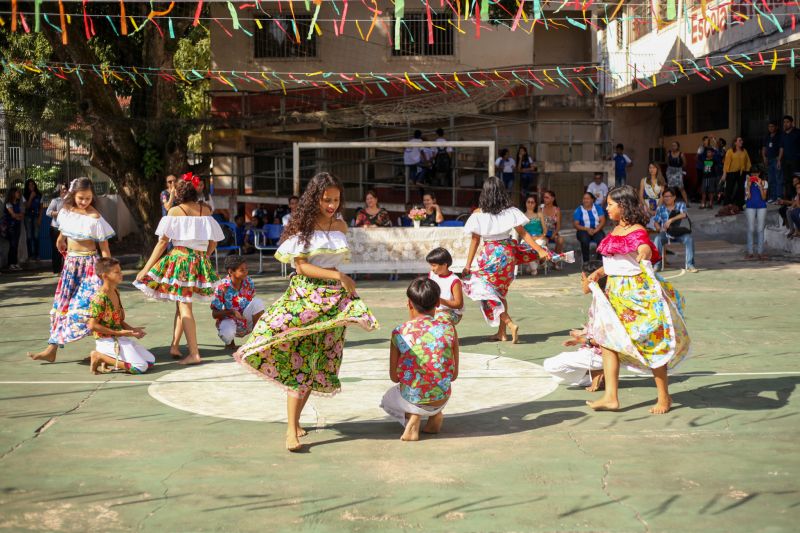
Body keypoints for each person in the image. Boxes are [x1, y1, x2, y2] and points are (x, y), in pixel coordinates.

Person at [233, 172, 378, 452]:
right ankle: (291, 431)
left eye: (336, 200)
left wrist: (342, 282)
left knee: (316, 363)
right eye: (327, 200)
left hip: (333, 302)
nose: (332, 205)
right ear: (316, 198)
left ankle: (296, 422)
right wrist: (339, 277)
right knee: (299, 362)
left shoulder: (341, 227)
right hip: (305, 297)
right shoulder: (305, 225)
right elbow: (301, 267)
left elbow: (332, 265)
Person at [586, 186, 690, 415]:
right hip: (614, 293)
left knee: (651, 342)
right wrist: (600, 273)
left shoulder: (637, 230)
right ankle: (611, 397)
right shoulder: (615, 230)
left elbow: (643, 246)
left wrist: (645, 252)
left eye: (610, 204)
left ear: (623, 206)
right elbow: (618, 260)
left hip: (636, 294)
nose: (607, 208)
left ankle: (664, 396)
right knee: (607, 342)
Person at [134, 174, 225, 365]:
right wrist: (204, 257)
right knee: (182, 303)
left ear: (178, 195)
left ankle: (194, 353)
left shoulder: (175, 211)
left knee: (184, 306)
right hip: (198, 261)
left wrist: (146, 268)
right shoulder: (205, 210)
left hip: (180, 261)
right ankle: (175, 345)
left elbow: (162, 243)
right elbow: (214, 240)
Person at [27, 178, 115, 363]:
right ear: (73, 195)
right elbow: (64, 231)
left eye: (89, 198)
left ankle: (107, 351)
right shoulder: (66, 211)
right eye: (81, 198)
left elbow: (104, 249)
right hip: (70, 265)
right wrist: (60, 238)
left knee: (88, 307)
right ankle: (51, 349)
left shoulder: (95, 218)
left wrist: (107, 272)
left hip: (90, 267)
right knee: (62, 305)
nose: (84, 202)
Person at [462, 177, 552, 343]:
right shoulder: (511, 211)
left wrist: (467, 266)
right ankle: (501, 333)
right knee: (500, 293)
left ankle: (510, 325)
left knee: (484, 291)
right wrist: (539, 249)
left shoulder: (478, 214)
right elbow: (524, 233)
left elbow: (475, 240)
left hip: (490, 254)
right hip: (507, 254)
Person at [380, 277, 458, 441]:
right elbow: (454, 374)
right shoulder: (449, 329)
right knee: (433, 387)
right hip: (442, 397)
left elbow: (394, 377)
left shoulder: (399, 331)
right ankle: (434, 416)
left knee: (387, 399)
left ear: (409, 303)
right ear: (437, 303)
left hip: (414, 398)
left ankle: (413, 419)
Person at [87, 257, 154, 375]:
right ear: (105, 276)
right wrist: (120, 333)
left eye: (120, 271)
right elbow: (92, 326)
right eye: (116, 272)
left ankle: (109, 359)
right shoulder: (99, 298)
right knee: (140, 367)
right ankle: (99, 356)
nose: (121, 274)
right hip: (106, 340)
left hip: (119, 337)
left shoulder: (115, 291)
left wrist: (132, 330)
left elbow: (119, 321)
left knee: (150, 361)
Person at [210, 255, 265, 349]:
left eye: (246, 269)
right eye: (242, 270)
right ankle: (230, 343)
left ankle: (257, 339)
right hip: (230, 319)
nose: (246, 272)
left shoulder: (249, 282)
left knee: (258, 302)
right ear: (230, 271)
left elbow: (253, 305)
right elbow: (215, 314)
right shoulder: (221, 286)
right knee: (227, 335)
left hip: (245, 320)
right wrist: (232, 312)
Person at [652, 188, 697, 273]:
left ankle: (690, 264)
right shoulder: (660, 208)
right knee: (657, 239)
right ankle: (657, 265)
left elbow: (683, 214)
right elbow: (656, 222)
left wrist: (670, 220)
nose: (666, 198)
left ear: (674, 197)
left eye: (669, 196)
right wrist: (658, 228)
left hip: (679, 232)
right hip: (665, 233)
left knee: (689, 239)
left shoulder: (680, 205)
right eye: (665, 196)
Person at [426, 247, 464, 328]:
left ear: (444, 265)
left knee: (440, 317)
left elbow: (459, 304)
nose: (432, 269)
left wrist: (439, 300)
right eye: (431, 265)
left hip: (453, 313)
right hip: (435, 311)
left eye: (434, 265)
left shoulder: (454, 280)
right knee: (420, 318)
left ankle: (452, 338)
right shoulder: (432, 275)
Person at [573, 192, 607, 263]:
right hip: (583, 230)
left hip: (596, 229)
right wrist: (587, 229)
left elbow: (602, 221)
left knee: (601, 239)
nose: (585, 200)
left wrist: (595, 230)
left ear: (592, 200)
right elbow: (576, 225)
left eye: (587, 199)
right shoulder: (578, 210)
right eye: (584, 199)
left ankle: (599, 261)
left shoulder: (598, 208)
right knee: (585, 240)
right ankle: (586, 262)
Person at [743, 172, 769, 261]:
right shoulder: (747, 182)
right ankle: (750, 252)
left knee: (760, 229)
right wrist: (748, 186)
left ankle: (760, 252)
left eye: (756, 174)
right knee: (750, 229)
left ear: (759, 174)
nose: (755, 176)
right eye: (753, 174)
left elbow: (764, 198)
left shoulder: (764, 182)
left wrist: (760, 186)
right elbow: (748, 196)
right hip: (750, 206)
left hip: (762, 206)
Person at [721, 136, 752, 208]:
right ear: (735, 143)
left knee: (741, 189)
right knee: (729, 189)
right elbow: (726, 163)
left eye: (742, 140)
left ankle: (740, 205)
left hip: (741, 172)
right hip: (731, 172)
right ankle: (727, 205)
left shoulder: (744, 151)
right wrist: (724, 173)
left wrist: (748, 173)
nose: (742, 142)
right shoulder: (730, 151)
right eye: (740, 140)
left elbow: (748, 162)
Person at [522, 194, 547, 275]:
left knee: (538, 245)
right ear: (525, 203)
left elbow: (545, 229)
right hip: (526, 239)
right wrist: (529, 238)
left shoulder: (539, 214)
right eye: (528, 202)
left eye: (532, 202)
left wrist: (540, 237)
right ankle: (534, 267)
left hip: (539, 238)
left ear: (535, 204)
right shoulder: (522, 216)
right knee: (525, 247)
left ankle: (532, 268)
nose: (530, 204)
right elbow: (520, 231)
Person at [46, 183, 68, 274]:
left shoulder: (71, 200)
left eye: (66, 188)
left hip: (68, 228)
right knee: (56, 249)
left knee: (68, 249)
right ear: (59, 191)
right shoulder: (55, 201)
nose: (65, 190)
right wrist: (58, 213)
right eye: (63, 189)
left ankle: (67, 270)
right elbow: (48, 212)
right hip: (56, 228)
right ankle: (56, 270)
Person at [3, 186, 24, 271]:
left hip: (17, 225)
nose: (19, 194)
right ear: (13, 194)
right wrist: (16, 215)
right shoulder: (8, 203)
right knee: (12, 245)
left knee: (16, 245)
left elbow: (21, 215)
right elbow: (13, 215)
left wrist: (17, 216)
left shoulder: (18, 203)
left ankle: (15, 263)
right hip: (11, 226)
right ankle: (11, 263)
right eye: (17, 192)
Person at [762, 120, 783, 203]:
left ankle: (779, 197)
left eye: (772, 126)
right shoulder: (767, 136)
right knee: (771, 179)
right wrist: (764, 157)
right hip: (769, 160)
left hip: (776, 159)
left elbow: (781, 148)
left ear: (776, 127)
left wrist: (779, 160)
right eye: (769, 127)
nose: (770, 128)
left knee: (778, 179)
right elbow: (764, 148)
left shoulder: (779, 136)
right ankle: (772, 197)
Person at [780, 115, 800, 200]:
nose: (785, 124)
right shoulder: (783, 134)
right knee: (787, 180)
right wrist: (779, 160)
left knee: (796, 179)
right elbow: (782, 147)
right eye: (784, 122)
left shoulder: (798, 132)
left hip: (796, 161)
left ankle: (797, 198)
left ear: (792, 123)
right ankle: (790, 198)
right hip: (786, 161)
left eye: (787, 122)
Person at [541, 190, 565, 259]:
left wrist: (554, 234)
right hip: (542, 232)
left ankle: (555, 260)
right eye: (544, 197)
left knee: (560, 240)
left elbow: (558, 226)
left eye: (547, 197)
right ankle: (544, 261)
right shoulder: (541, 208)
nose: (544, 199)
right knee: (544, 241)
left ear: (552, 199)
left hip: (552, 232)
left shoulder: (556, 210)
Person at [23, 179, 43, 261]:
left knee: (36, 236)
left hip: (36, 216)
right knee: (28, 236)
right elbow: (26, 206)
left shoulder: (39, 195)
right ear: (27, 186)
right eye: (30, 185)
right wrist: (31, 197)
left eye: (33, 184)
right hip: (28, 217)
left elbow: (41, 208)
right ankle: (30, 255)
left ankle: (37, 255)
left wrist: (39, 218)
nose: (31, 186)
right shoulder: (24, 195)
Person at [665, 142, 688, 206]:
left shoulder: (681, 154)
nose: (673, 147)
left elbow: (685, 163)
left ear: (678, 147)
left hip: (678, 171)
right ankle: (672, 202)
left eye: (675, 145)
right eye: (672, 145)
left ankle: (686, 202)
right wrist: (670, 169)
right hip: (670, 171)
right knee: (671, 188)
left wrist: (679, 169)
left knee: (681, 188)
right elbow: (667, 162)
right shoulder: (669, 154)